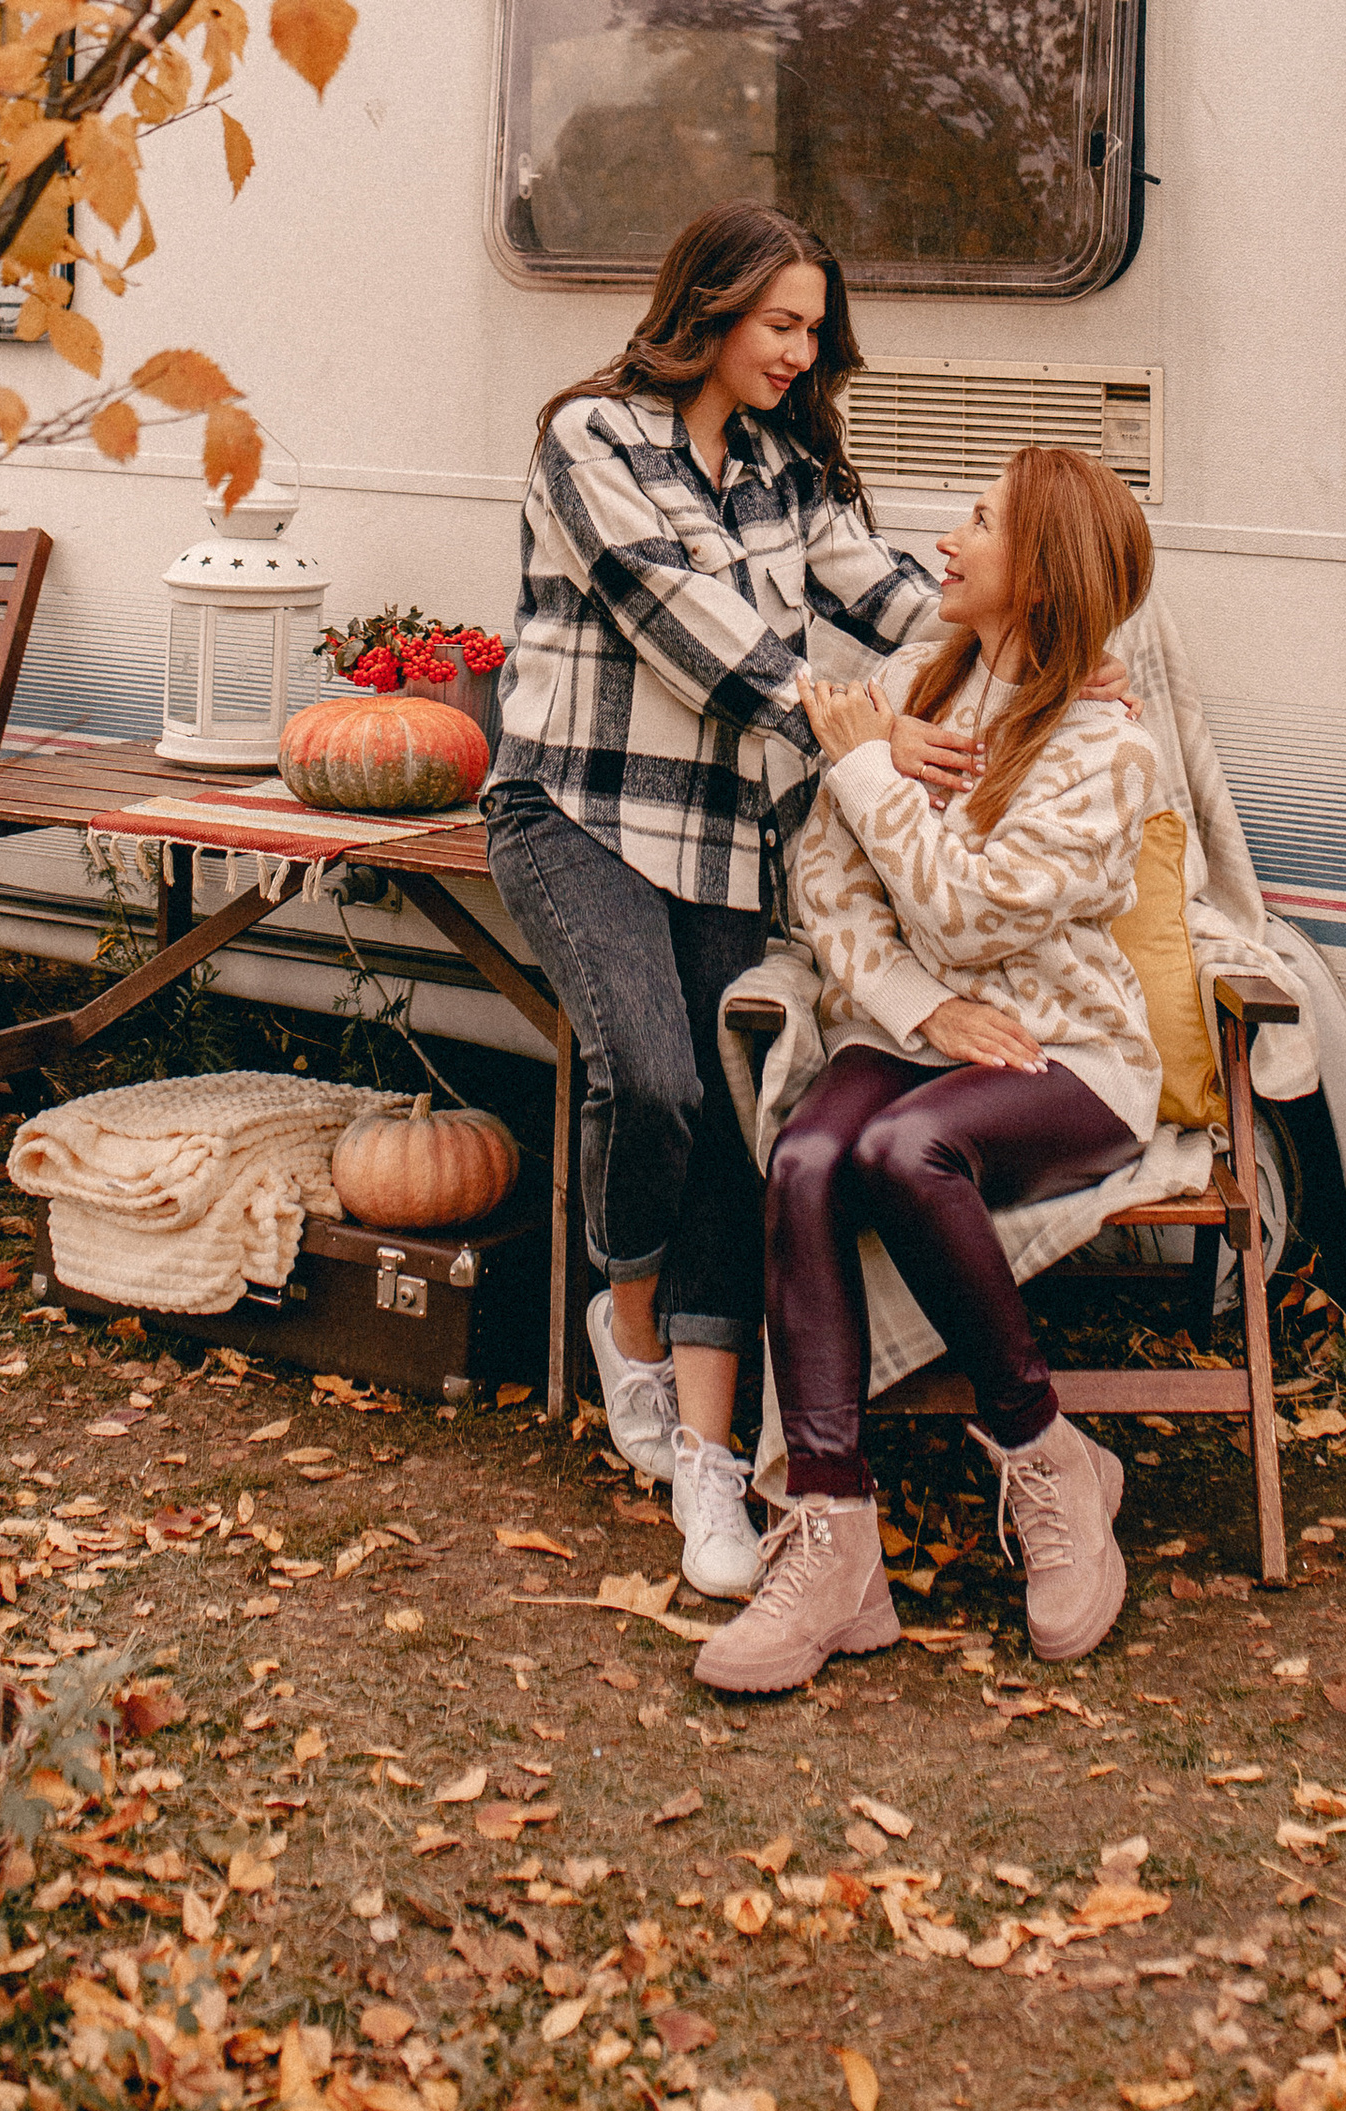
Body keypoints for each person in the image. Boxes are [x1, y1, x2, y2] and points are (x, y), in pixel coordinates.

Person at [483, 203, 944, 1600]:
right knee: (658, 1079)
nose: (802, 354)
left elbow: (889, 591)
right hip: (577, 810)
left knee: (736, 1128)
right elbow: (677, 618)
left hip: (728, 838)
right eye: (781, 325)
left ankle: (705, 1460)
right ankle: (624, 1320)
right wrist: (853, 725)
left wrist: (1042, 628)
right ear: (713, 309)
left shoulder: (790, 470)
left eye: (815, 331)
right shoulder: (591, 438)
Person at [695, 445, 1163, 1695]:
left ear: (1045, 570)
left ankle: (1048, 1456)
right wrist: (917, 1005)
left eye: (981, 523)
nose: (946, 541)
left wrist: (860, 765)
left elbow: (967, 914)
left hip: (1067, 1054)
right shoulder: (905, 683)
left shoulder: (1105, 748)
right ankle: (836, 1540)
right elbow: (826, 886)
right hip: (906, 1032)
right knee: (804, 1156)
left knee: (906, 1150)